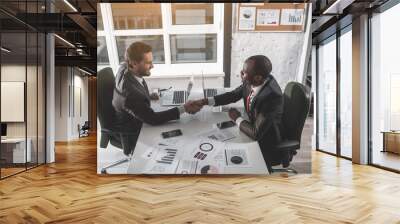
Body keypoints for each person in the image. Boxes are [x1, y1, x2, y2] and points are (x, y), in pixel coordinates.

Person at [193, 55, 284, 166]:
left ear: (258, 78)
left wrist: (236, 117)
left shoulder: (272, 97)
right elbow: (233, 95)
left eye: (244, 73)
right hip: (252, 127)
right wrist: (204, 102)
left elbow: (256, 133)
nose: (240, 74)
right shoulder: (252, 80)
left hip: (265, 142)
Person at [112, 42, 203, 141]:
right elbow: (153, 119)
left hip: (137, 117)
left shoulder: (125, 67)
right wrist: (184, 108)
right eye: (148, 63)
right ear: (134, 63)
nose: (152, 66)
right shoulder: (131, 94)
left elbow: (134, 93)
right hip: (135, 133)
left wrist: (148, 96)